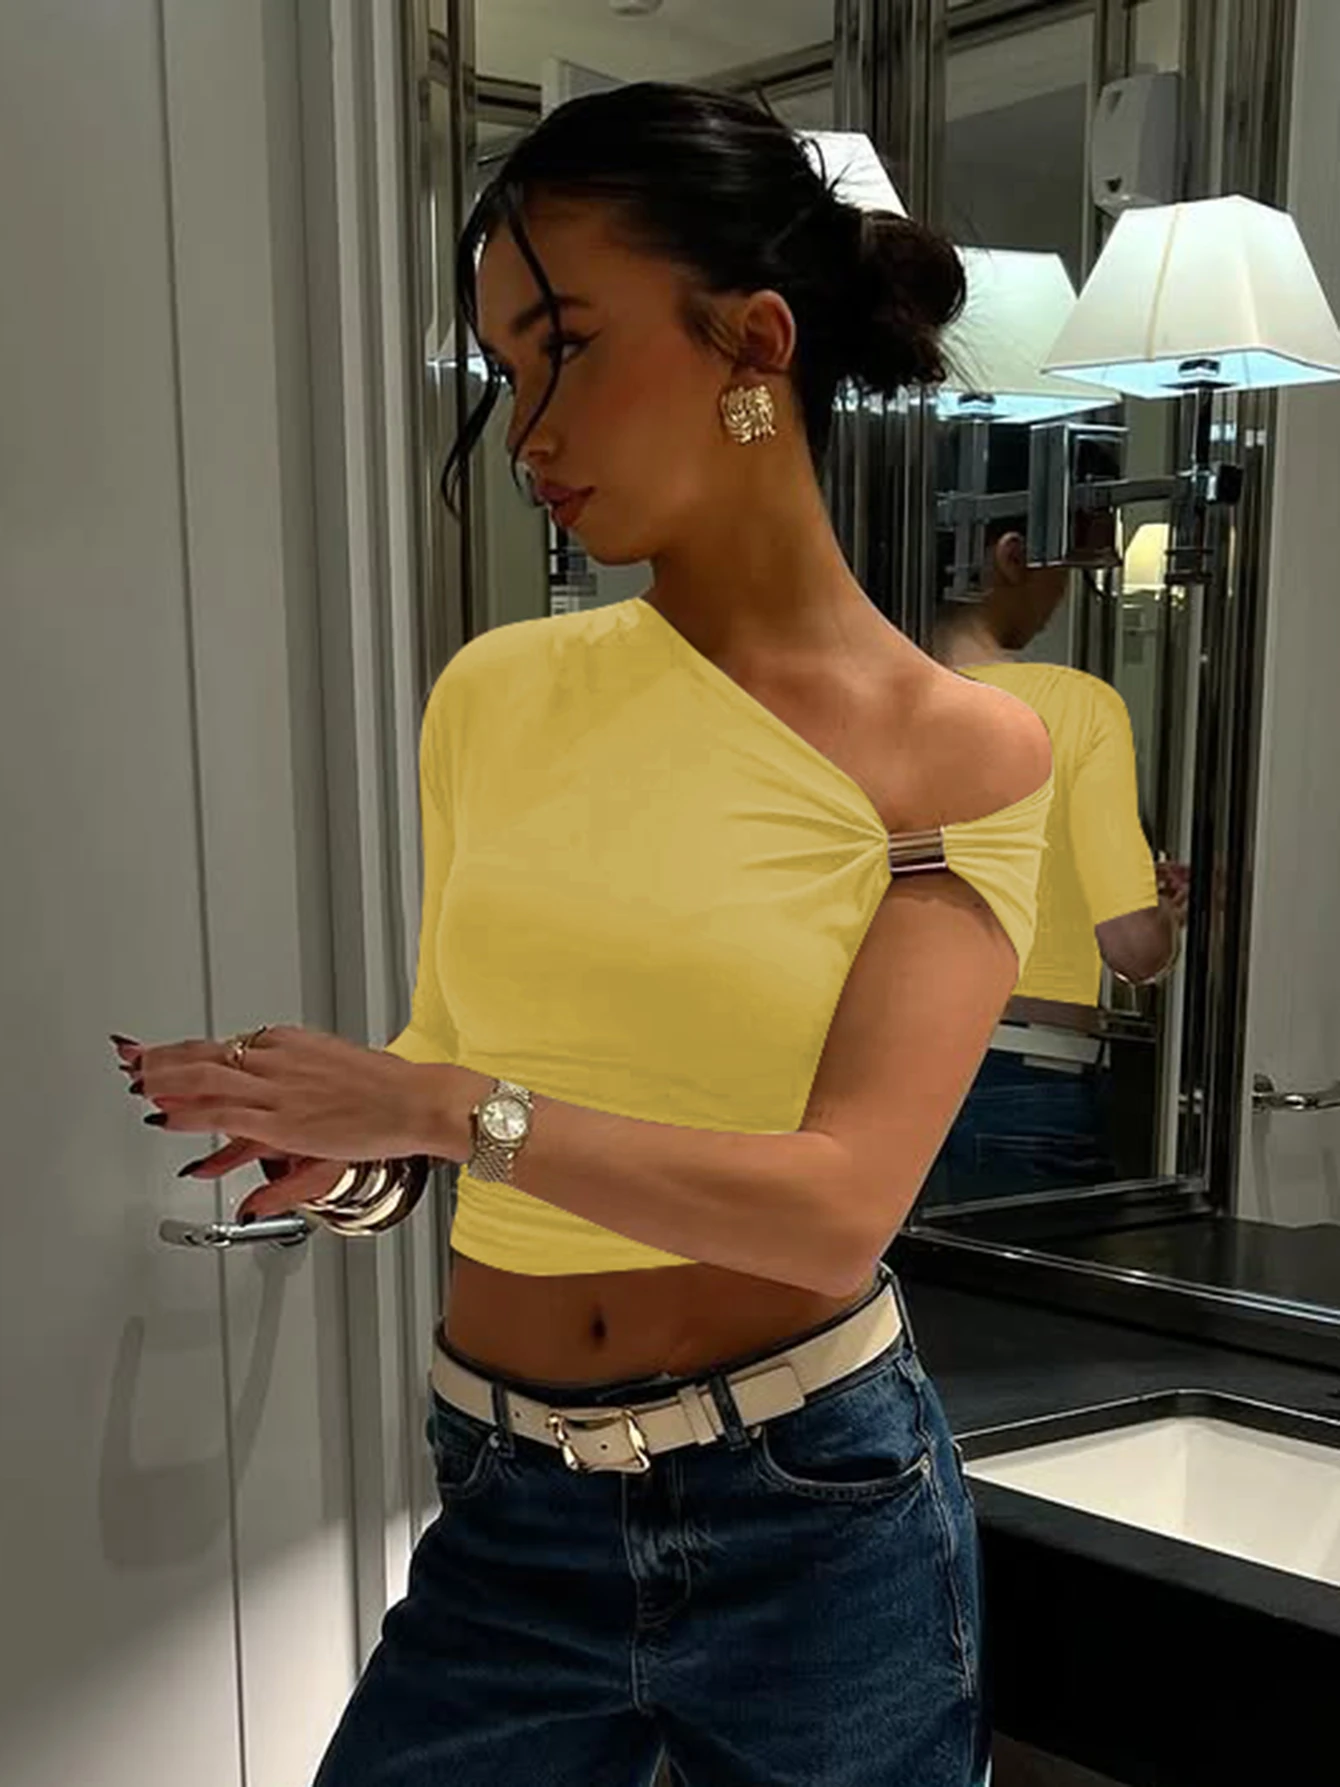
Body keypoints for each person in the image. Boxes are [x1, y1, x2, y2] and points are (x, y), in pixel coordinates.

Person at [114, 85, 1055, 1787]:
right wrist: (350, 1152)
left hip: (812, 1511)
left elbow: (837, 1205)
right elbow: (460, 1081)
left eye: (563, 348)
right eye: (501, 367)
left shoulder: (961, 750)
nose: (524, 426)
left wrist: (429, 1105)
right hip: (505, 1498)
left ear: (753, 343)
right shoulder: (496, 692)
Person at [929, 480, 1190, 1203]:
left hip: (875, 1070)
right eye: (1067, 569)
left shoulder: (864, 698)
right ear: (1012, 556)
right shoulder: (1078, 707)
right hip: (1025, 1073)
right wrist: (1167, 918)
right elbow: (1132, 950)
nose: (1064, 595)